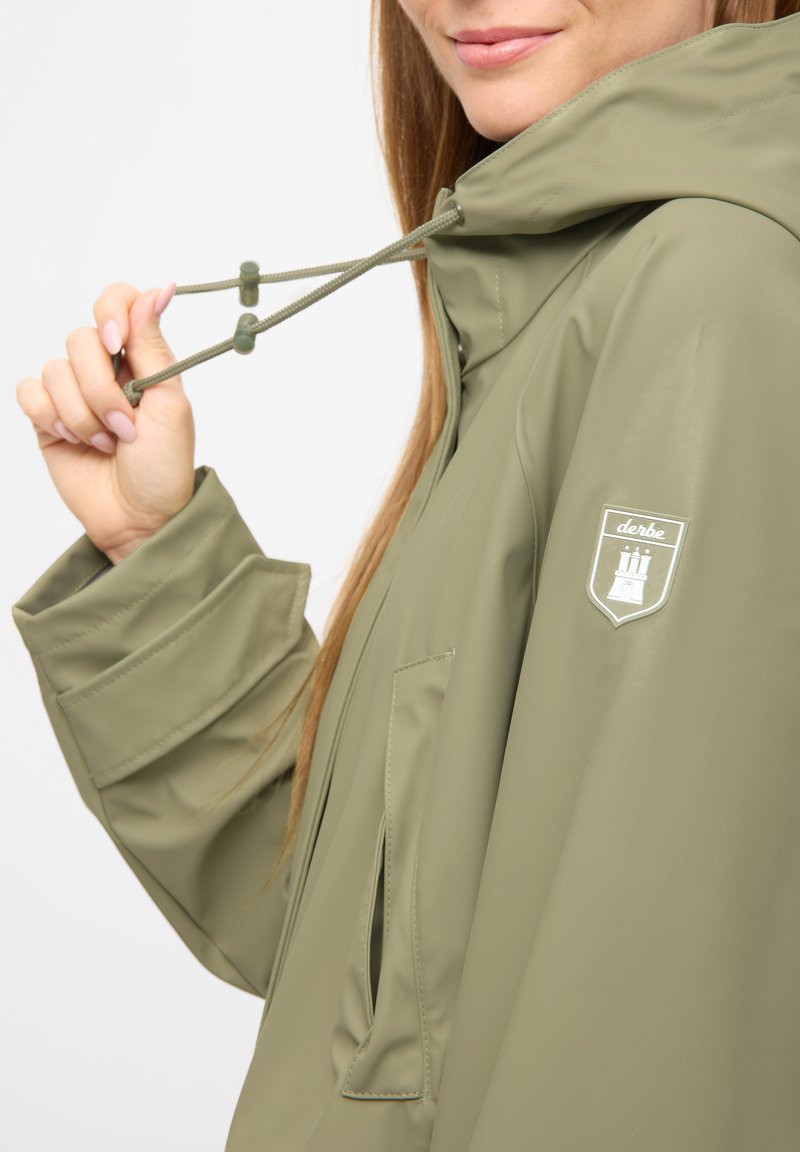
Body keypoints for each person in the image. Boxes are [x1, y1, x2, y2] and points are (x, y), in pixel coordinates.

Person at [12, 1, 800, 1149]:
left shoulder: (707, 293)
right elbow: (383, 975)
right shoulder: (569, 291)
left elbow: (633, 1043)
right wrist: (154, 548)